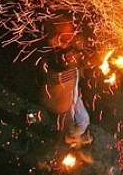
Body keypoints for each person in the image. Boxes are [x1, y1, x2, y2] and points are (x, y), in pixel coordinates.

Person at [38, 15, 91, 147]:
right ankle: (69, 139)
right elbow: (59, 66)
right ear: (59, 30)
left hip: (72, 96)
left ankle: (74, 138)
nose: (74, 32)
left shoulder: (68, 46)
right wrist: (74, 59)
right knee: (72, 126)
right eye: (70, 29)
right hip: (61, 103)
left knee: (84, 120)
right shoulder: (53, 51)